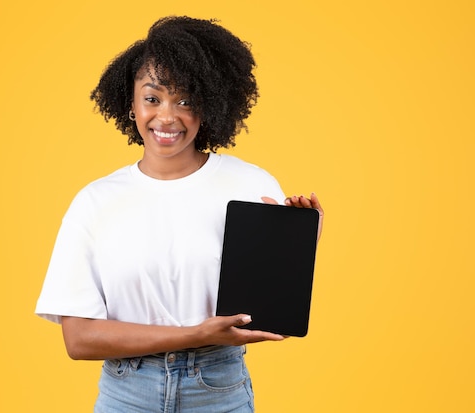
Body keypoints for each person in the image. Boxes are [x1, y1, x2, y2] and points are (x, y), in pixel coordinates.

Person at [35, 16, 324, 412]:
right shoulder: (95, 201)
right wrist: (193, 333)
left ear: (210, 104)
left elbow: (272, 318)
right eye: (152, 98)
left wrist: (300, 244)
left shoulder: (250, 184)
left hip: (218, 390)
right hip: (127, 395)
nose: (167, 116)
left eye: (185, 100)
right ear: (131, 105)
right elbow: (80, 340)